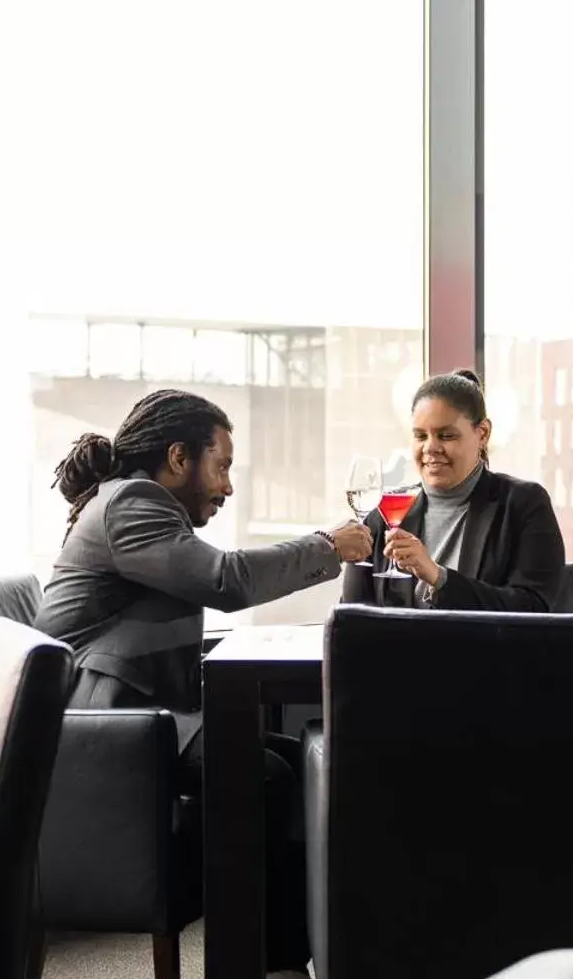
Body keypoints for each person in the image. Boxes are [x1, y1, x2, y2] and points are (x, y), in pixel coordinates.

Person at [34, 388, 370, 979]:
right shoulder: (133, 503)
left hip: (135, 714)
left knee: (310, 767)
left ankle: (287, 958)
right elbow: (227, 580)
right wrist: (326, 547)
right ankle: (260, 963)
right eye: (222, 466)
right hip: (105, 726)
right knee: (265, 774)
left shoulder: (138, 504)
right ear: (178, 457)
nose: (228, 486)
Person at [347, 368, 568, 612]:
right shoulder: (384, 514)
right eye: (420, 436)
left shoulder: (524, 504)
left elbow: (533, 608)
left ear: (482, 433)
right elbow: (352, 618)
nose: (430, 448)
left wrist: (438, 577)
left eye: (446, 436)